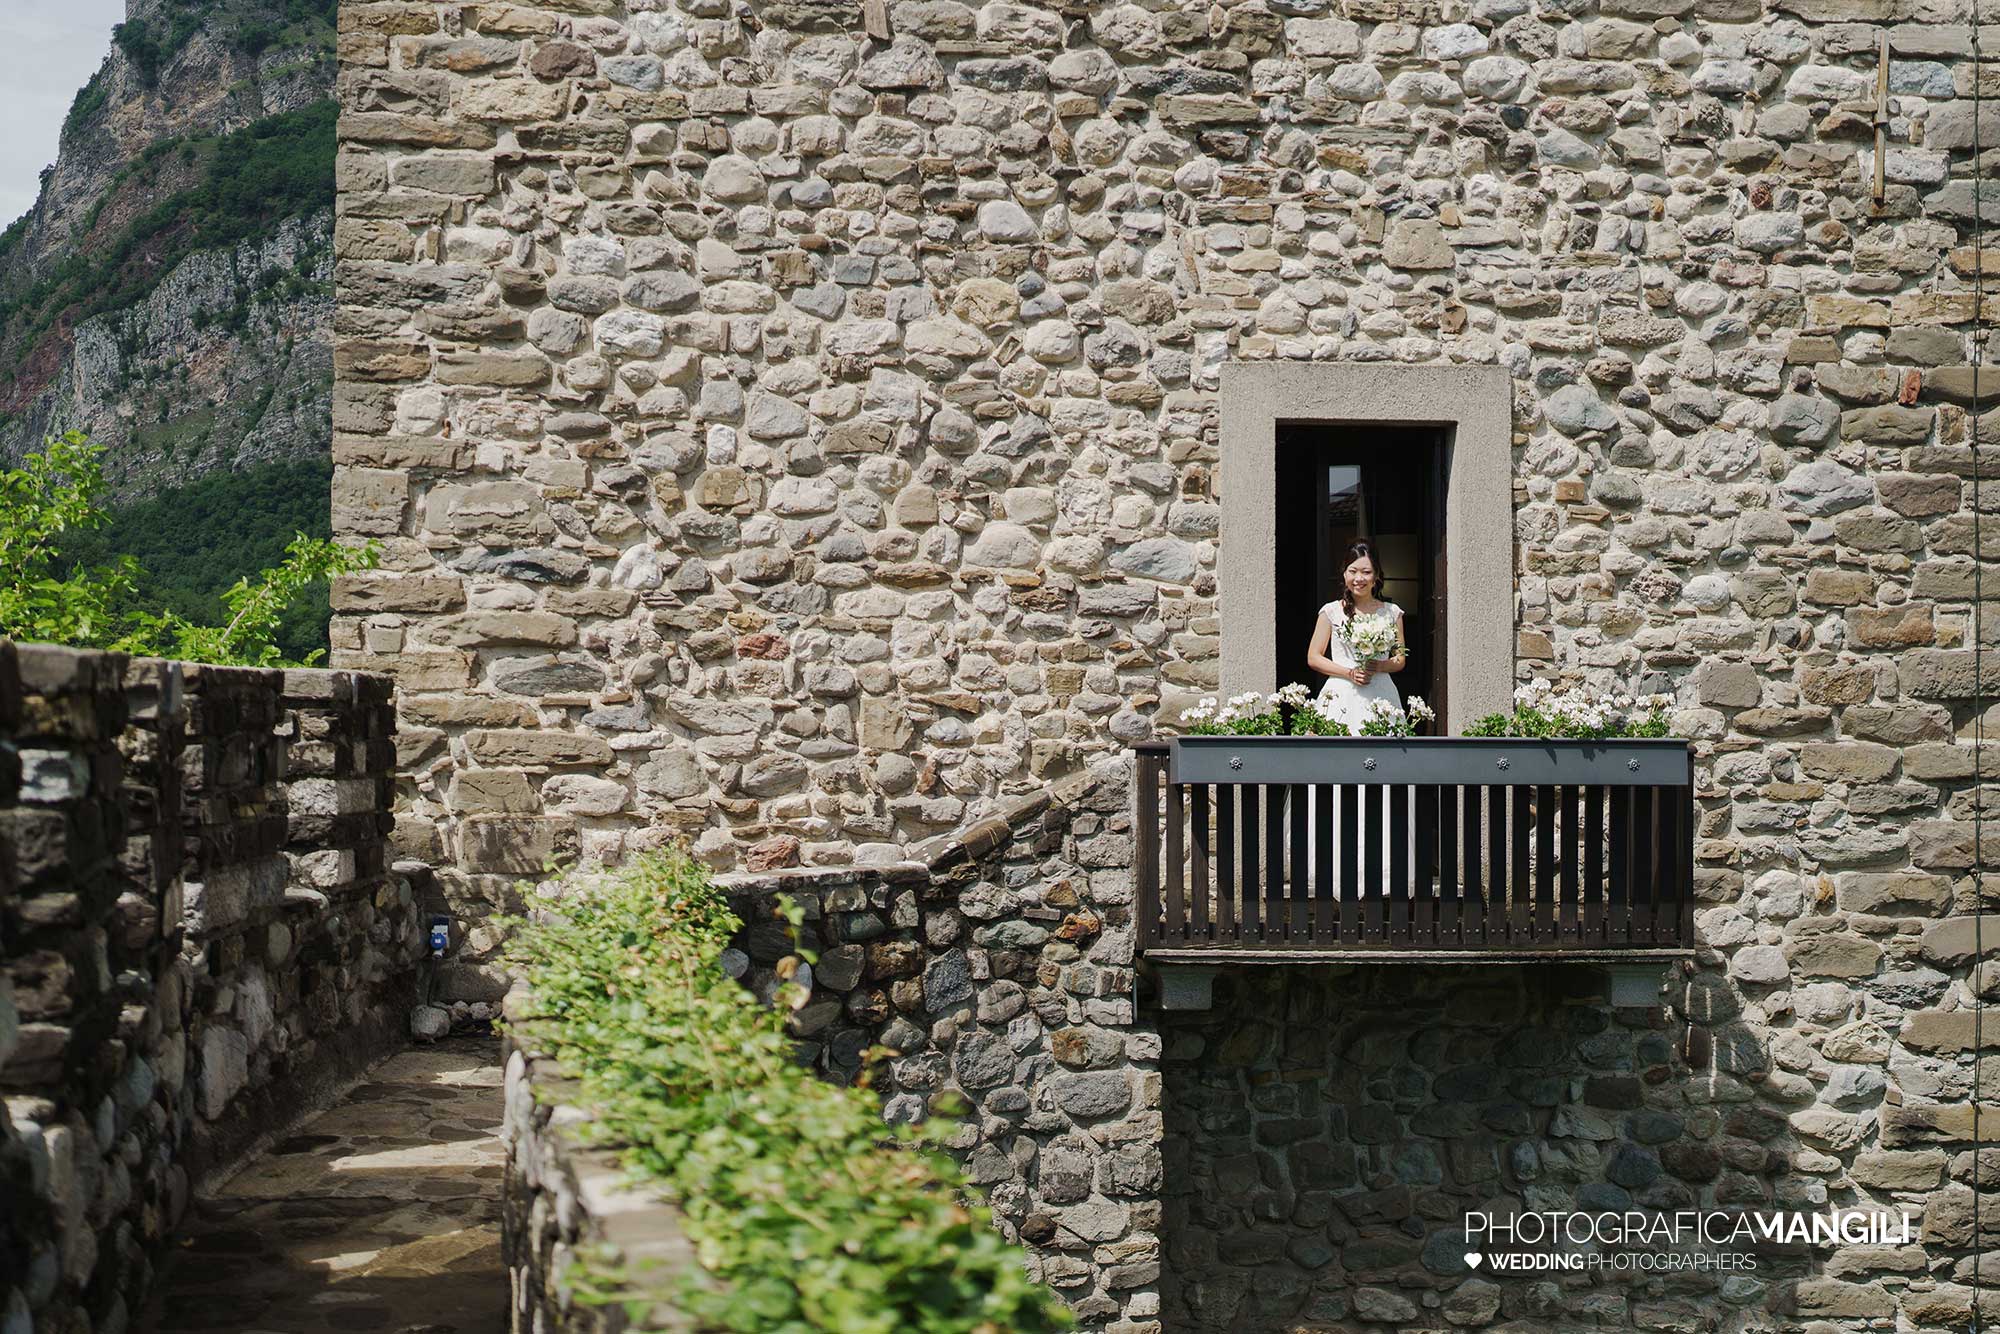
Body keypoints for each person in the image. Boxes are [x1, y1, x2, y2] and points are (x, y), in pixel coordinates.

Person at [1306, 540, 1407, 728]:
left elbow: (1400, 659)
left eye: (1366, 572)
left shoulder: (1391, 612)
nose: (1359, 578)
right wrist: (1349, 673)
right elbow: (1313, 657)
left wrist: (1378, 666)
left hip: (1381, 693)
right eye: (1353, 571)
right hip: (1340, 692)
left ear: (1376, 575)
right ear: (1344, 574)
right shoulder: (1331, 611)